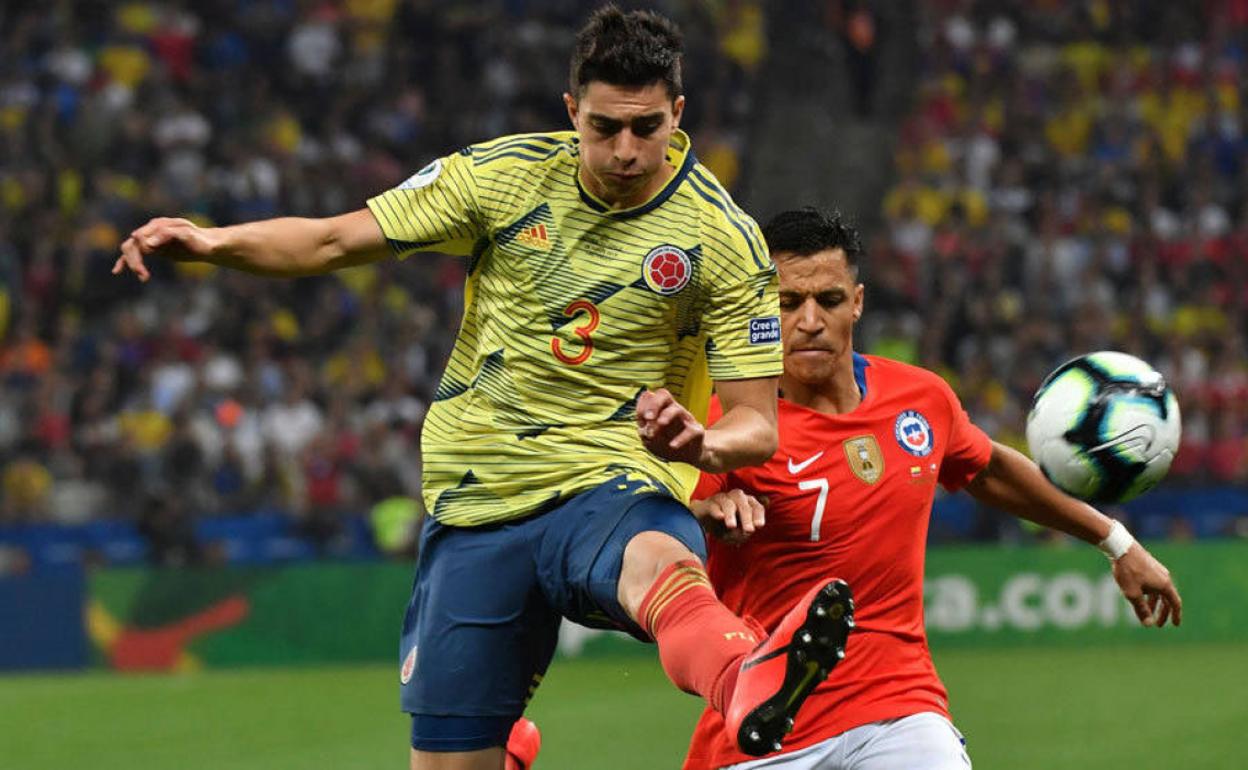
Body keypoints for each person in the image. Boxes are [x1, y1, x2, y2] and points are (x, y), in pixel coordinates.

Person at [113, 7, 854, 769]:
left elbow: (755, 425)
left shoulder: (723, 241)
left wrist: (702, 443)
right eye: (605, 128)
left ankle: (748, 675)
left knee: (658, 560)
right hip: (478, 498)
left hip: (610, 476)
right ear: (572, 111)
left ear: (679, 114)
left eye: (646, 128)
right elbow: (335, 238)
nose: (626, 151)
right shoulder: (501, 179)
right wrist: (212, 243)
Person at [681, 207, 1183, 770]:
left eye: (829, 299)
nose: (810, 320)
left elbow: (988, 469)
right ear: (762, 313)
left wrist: (1116, 541)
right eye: (788, 302)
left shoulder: (920, 398)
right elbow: (663, 535)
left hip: (898, 708)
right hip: (768, 725)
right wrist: (704, 510)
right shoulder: (725, 426)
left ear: (859, 302)